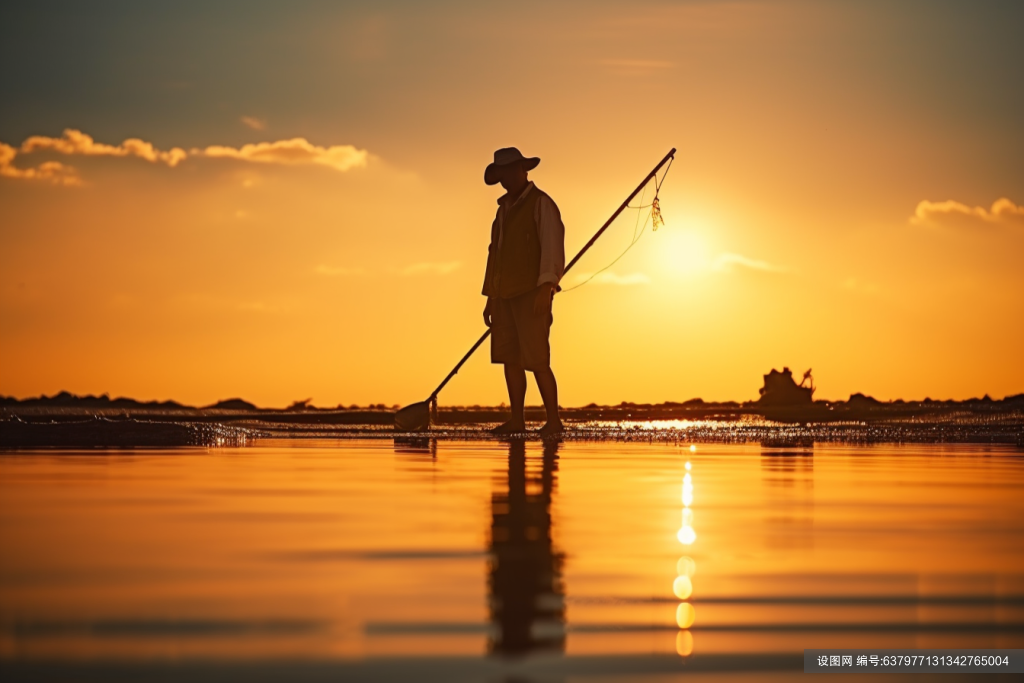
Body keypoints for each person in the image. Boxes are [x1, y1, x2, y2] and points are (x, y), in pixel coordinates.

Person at [481, 147, 564, 436]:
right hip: (503, 296)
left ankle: (554, 421)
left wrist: (546, 287)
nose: (505, 180)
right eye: (501, 175)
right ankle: (517, 420)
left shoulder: (542, 204)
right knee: (510, 360)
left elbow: (552, 247)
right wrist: (491, 297)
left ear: (522, 170)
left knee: (538, 360)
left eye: (508, 173)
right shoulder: (502, 211)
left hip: (532, 293)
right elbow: (496, 254)